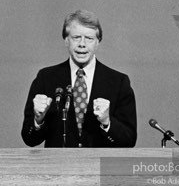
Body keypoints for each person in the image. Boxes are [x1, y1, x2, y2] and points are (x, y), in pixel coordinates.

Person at [21, 10, 137, 147]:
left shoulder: (118, 82)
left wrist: (107, 122)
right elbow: (29, 139)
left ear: (97, 42)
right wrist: (38, 120)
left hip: (99, 166)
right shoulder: (46, 78)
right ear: (66, 40)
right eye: (76, 37)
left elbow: (129, 140)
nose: (82, 44)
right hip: (58, 166)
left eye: (89, 38)